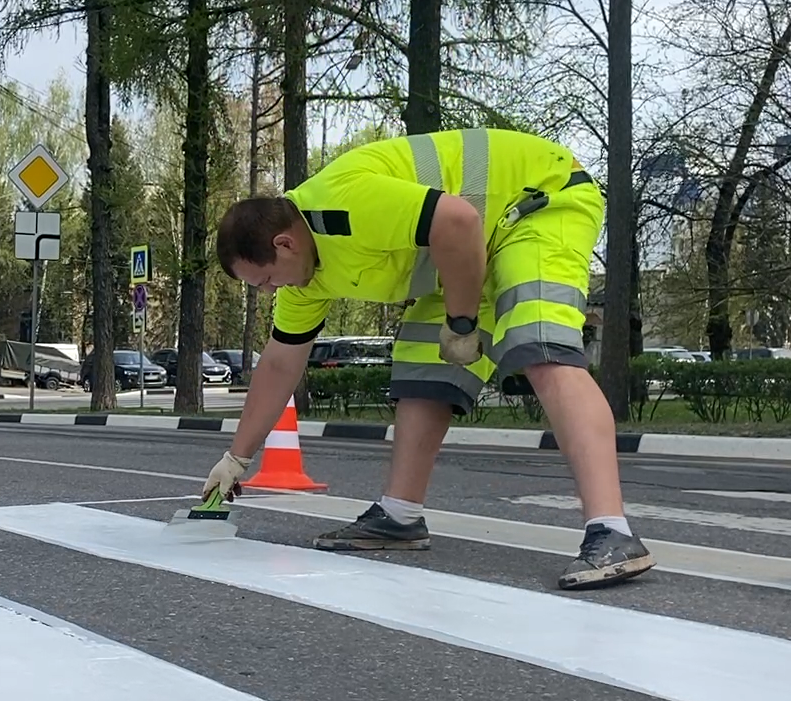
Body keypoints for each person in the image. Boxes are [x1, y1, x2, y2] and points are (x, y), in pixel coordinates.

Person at [205, 127, 655, 590]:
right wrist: (235, 460)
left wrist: (462, 322)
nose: (268, 291)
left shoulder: (342, 200)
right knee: (424, 372)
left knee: (541, 350)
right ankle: (399, 516)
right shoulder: (306, 279)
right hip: (458, 256)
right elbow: (279, 364)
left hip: (535, 202)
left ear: (284, 244)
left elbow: (457, 219)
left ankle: (612, 531)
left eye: (263, 280)